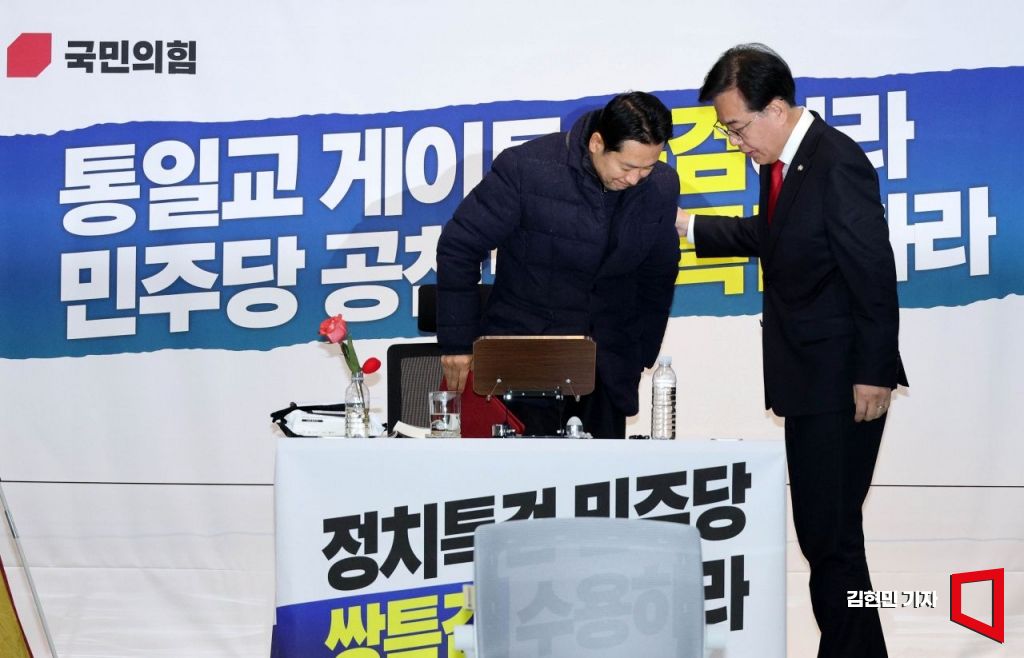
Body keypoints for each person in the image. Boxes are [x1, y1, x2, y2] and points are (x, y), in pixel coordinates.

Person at [676, 44, 907, 657]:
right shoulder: (783, 164)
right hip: (809, 377)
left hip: (842, 380)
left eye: (737, 127)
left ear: (775, 109)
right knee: (828, 535)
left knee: (831, 537)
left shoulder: (836, 162)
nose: (735, 143)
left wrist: (873, 372)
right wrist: (689, 226)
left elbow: (872, 272)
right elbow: (775, 235)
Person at [436, 92, 680, 438]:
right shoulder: (527, 169)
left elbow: (659, 272)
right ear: (597, 143)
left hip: (607, 367)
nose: (635, 179)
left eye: (648, 167)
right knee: (524, 472)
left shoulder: (660, 186)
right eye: (627, 167)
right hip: (524, 362)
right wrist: (458, 343)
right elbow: (459, 245)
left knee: (602, 471)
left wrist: (640, 352)